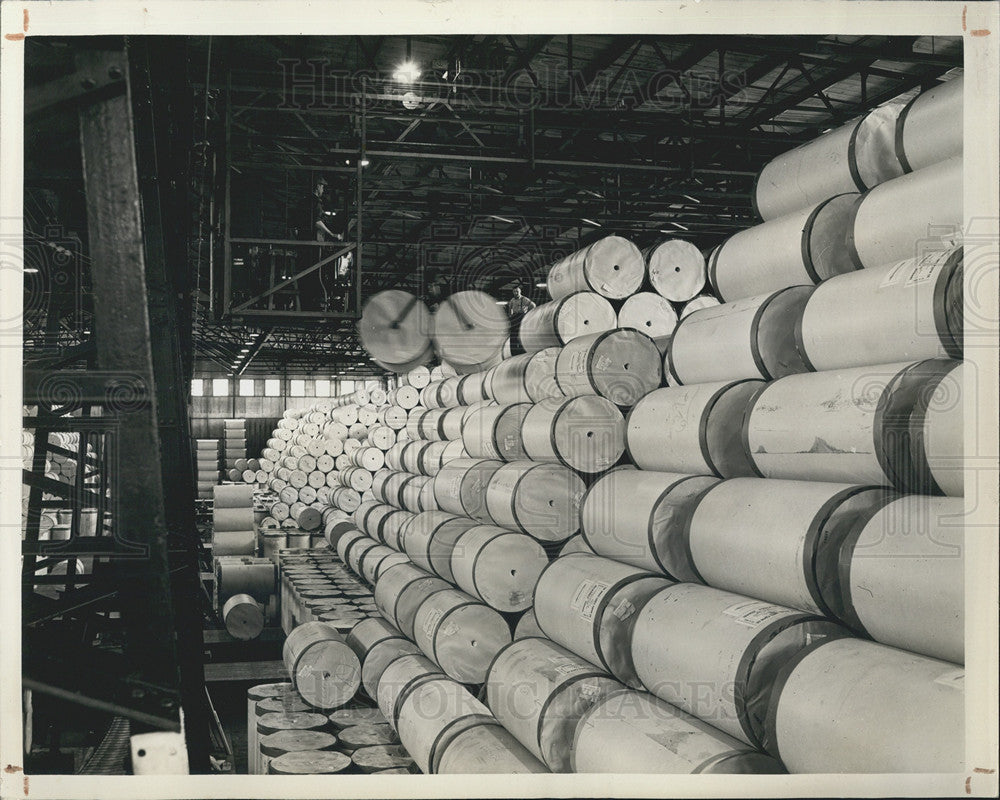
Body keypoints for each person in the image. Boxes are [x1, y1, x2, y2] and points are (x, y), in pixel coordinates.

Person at [506, 285, 536, 353]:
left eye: (517, 291)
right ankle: (513, 351)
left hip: (521, 317)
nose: (516, 293)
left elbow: (533, 305)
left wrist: (527, 314)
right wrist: (510, 315)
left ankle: (521, 350)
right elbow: (510, 308)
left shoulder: (524, 299)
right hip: (514, 317)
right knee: (513, 335)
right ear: (513, 292)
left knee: (520, 334)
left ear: (520, 291)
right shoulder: (512, 300)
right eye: (514, 291)